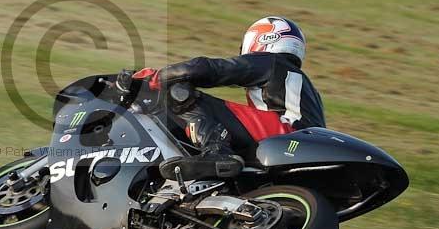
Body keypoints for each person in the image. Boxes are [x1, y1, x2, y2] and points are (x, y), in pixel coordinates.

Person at [131, 16, 325, 181]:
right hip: (301, 146)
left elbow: (208, 69)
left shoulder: (271, 62)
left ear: (265, 38)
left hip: (285, 134)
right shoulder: (305, 87)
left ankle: (217, 152)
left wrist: (157, 77)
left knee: (178, 92)